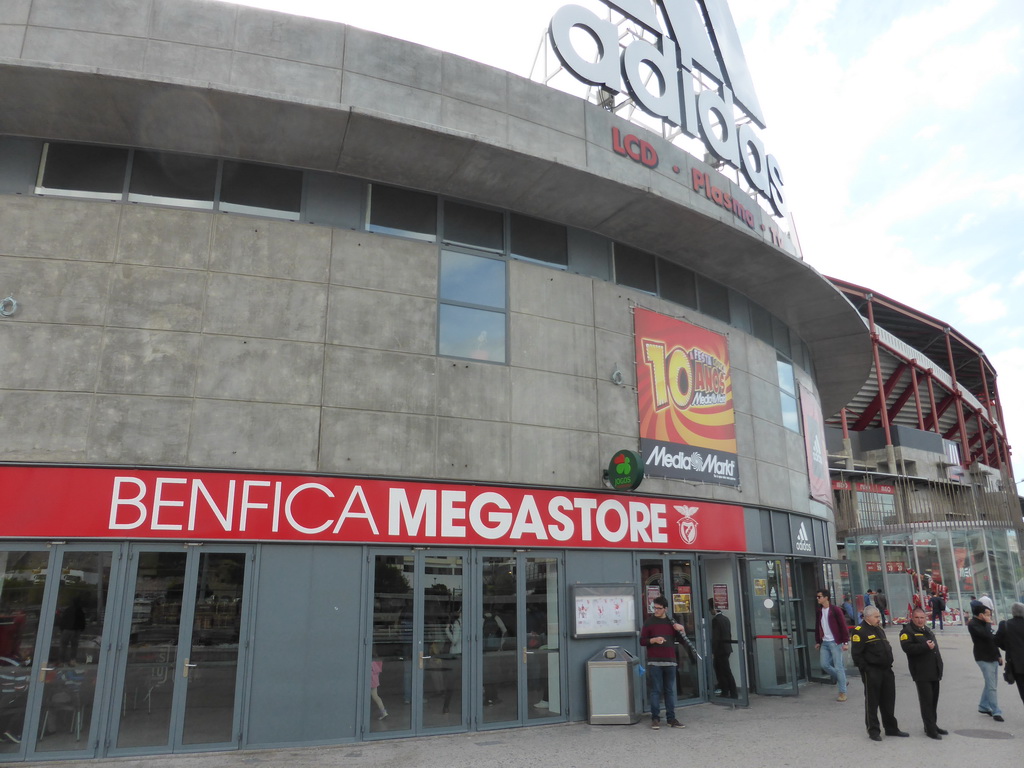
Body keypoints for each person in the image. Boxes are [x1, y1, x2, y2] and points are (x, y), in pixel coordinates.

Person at [851, 605, 908, 741]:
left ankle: (891, 728)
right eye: (876, 617)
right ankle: (873, 730)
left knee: (888, 700)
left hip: (886, 670)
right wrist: (866, 669)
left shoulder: (879, 629)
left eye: (878, 616)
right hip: (872, 671)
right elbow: (857, 655)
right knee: (872, 701)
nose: (879, 619)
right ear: (867, 617)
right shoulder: (860, 631)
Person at [639, 596, 687, 729]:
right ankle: (655, 718)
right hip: (655, 661)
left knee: (669, 691)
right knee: (655, 691)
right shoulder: (649, 622)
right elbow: (642, 641)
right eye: (654, 608)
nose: (656, 610)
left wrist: (682, 629)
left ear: (665, 609)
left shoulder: (671, 623)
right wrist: (653, 640)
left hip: (670, 661)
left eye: (659, 608)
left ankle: (671, 719)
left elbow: (682, 640)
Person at [900, 608, 946, 739]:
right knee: (926, 702)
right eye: (917, 618)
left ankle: (933, 725)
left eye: (922, 618)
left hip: (934, 670)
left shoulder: (926, 630)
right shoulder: (907, 631)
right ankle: (930, 729)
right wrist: (925, 646)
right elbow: (907, 648)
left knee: (933, 701)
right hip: (921, 671)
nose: (920, 620)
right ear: (912, 617)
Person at [967, 603, 1004, 722]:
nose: (990, 617)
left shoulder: (985, 624)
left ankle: (983, 706)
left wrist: (998, 655)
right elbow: (987, 635)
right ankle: (996, 711)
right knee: (992, 686)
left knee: (991, 684)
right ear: (981, 614)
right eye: (987, 615)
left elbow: (993, 639)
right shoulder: (973, 624)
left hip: (992, 655)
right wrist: (988, 623)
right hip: (983, 657)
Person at [814, 589, 850, 702]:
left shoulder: (835, 610)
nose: (818, 599)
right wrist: (818, 641)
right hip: (825, 642)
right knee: (824, 665)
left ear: (826, 597)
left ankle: (842, 692)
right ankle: (842, 679)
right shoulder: (819, 611)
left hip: (836, 642)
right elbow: (817, 627)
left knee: (838, 666)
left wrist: (845, 642)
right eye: (817, 597)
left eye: (819, 596)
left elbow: (843, 626)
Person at [995, 601, 1024, 710]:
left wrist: (1007, 647)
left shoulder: (1005, 625)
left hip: (1016, 663)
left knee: (1022, 688)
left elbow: (997, 641)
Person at [708, 598, 737, 699]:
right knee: (725, 670)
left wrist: (713, 651)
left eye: (710, 609)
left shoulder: (715, 620)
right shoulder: (725, 619)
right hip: (727, 648)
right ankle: (729, 691)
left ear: (713, 609)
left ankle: (728, 691)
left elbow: (716, 637)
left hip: (720, 649)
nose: (710, 611)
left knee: (722, 671)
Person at [58, 596, 86, 665]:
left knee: (63, 645)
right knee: (74, 646)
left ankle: (61, 661)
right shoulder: (80, 611)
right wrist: (81, 629)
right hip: (76, 631)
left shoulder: (68, 610)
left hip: (66, 630)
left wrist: (62, 629)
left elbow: (63, 620)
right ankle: (72, 660)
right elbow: (82, 621)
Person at [369, 653, 388, 721]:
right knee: (376, 697)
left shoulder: (369, 663)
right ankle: (383, 712)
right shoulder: (377, 664)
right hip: (375, 682)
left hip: (369, 681)